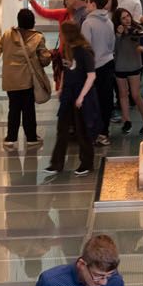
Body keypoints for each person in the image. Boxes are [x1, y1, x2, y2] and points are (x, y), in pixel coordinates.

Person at [45, 22, 98, 176]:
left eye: (61, 33)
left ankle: (87, 163)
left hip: (81, 94)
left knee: (82, 130)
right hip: (68, 94)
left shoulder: (84, 51)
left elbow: (91, 75)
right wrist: (61, 87)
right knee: (62, 129)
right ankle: (56, 163)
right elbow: (65, 70)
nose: (59, 35)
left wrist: (81, 96)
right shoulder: (67, 50)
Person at [0, 9, 50, 149]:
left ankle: (10, 139)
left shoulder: (8, 34)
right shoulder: (37, 38)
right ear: (33, 22)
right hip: (27, 80)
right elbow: (44, 58)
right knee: (28, 109)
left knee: (14, 108)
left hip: (10, 79)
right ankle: (31, 138)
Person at [82, 0, 116, 145]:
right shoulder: (108, 21)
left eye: (87, 1)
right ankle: (104, 132)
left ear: (93, 4)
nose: (85, 4)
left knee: (93, 101)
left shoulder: (88, 23)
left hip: (94, 67)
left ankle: (93, 132)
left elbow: (86, 48)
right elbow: (112, 44)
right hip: (108, 63)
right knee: (106, 99)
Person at [111, 7, 143, 135]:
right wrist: (118, 35)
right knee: (122, 94)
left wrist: (142, 47)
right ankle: (127, 121)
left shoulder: (137, 29)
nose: (127, 19)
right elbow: (113, 48)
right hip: (120, 66)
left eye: (128, 16)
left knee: (136, 95)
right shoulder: (115, 31)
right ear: (118, 21)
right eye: (123, 18)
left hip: (134, 65)